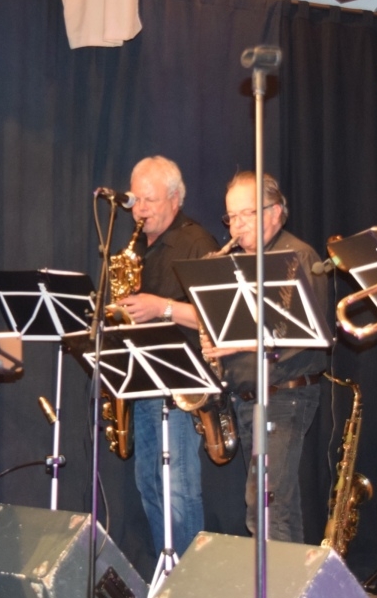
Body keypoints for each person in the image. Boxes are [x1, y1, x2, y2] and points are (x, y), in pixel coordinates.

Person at [202, 171, 329, 542]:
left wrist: (237, 344)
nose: (237, 226)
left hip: (284, 394)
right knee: (276, 510)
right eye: (231, 217)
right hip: (248, 398)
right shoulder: (235, 264)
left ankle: (273, 583)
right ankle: (291, 580)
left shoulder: (296, 257)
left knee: (266, 509)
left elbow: (305, 335)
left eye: (248, 214)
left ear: (275, 211)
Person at [112, 155, 219, 559]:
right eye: (135, 201)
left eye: (149, 200)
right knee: (150, 487)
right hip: (142, 383)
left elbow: (219, 318)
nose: (139, 210)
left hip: (180, 388)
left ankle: (188, 582)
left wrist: (161, 307)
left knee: (179, 491)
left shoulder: (197, 243)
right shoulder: (137, 248)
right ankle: (167, 573)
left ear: (175, 199)